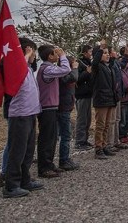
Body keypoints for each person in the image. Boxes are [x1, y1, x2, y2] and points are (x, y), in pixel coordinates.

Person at [2, 37, 44, 198]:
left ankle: (24, 180)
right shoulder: (16, 68)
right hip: (19, 114)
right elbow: (16, 72)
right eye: (33, 51)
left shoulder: (27, 68)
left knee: (28, 150)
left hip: (30, 113)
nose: (34, 56)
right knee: (17, 150)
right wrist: (25, 55)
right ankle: (11, 185)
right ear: (27, 50)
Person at [36, 45, 71, 178]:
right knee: (46, 138)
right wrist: (63, 56)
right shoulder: (47, 69)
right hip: (46, 107)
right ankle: (44, 167)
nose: (58, 55)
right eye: (55, 53)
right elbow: (66, 70)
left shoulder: (48, 68)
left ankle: (49, 164)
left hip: (51, 107)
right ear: (50, 56)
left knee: (52, 137)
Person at [91, 40, 118, 159]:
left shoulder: (107, 67)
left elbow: (112, 64)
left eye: (107, 53)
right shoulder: (96, 67)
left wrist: (112, 58)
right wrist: (101, 48)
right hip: (101, 99)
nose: (107, 55)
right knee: (100, 125)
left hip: (110, 99)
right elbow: (95, 62)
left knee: (107, 125)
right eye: (104, 53)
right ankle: (98, 148)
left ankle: (104, 145)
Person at [57, 56, 80, 171]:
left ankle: (65, 158)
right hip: (62, 107)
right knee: (65, 135)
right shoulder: (63, 74)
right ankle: (63, 160)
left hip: (66, 107)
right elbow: (73, 78)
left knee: (64, 135)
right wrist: (74, 69)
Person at [74, 45, 93, 150]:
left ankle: (85, 139)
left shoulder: (88, 63)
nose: (91, 54)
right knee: (82, 119)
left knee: (88, 119)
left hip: (88, 95)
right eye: (90, 51)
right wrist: (87, 72)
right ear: (85, 53)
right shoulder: (79, 64)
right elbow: (77, 79)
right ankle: (79, 142)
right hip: (81, 95)